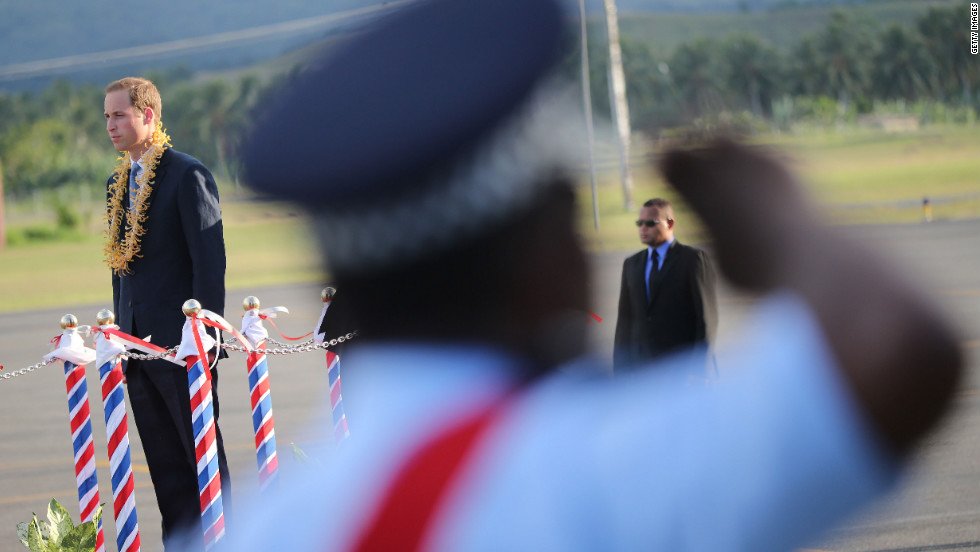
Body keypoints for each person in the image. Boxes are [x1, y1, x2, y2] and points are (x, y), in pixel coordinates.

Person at [214, 0, 963, 550]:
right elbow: (900, 349)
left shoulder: (270, 528)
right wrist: (781, 217)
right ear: (549, 256)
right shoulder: (602, 469)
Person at [103, 77, 231, 550]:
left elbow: (209, 261)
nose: (111, 125)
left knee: (202, 461)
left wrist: (206, 336)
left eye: (120, 115)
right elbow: (121, 269)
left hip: (184, 348)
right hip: (136, 346)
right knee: (164, 466)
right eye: (107, 117)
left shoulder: (186, 174)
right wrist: (119, 333)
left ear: (149, 116)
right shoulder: (117, 182)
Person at [613, 197, 717, 374]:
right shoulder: (632, 264)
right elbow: (625, 322)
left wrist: (699, 370)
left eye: (650, 223)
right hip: (641, 371)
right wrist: (620, 371)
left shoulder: (692, 259)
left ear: (669, 224)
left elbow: (706, 319)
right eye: (640, 223)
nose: (643, 228)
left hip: (680, 369)